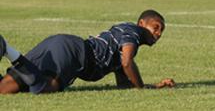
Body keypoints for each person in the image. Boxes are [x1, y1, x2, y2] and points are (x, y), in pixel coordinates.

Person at [0, 10, 175, 94]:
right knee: (45, 88)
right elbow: (127, 63)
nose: (158, 34)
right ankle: (8, 50)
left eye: (162, 31)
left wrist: (154, 86)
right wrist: (143, 89)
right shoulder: (133, 32)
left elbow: (124, 83)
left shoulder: (120, 43)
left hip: (58, 44)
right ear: (142, 24)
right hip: (75, 53)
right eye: (156, 27)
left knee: (4, 89)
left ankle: (8, 51)